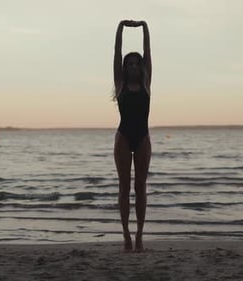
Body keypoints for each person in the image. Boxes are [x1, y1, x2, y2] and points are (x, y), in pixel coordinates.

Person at [113, 19, 152, 252]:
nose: (134, 66)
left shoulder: (147, 84)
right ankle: (126, 234)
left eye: (137, 63)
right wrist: (121, 26)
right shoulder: (120, 85)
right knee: (124, 187)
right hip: (124, 138)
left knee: (140, 187)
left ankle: (139, 235)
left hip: (143, 137)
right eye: (130, 64)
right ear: (125, 68)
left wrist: (145, 26)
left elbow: (148, 52)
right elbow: (116, 53)